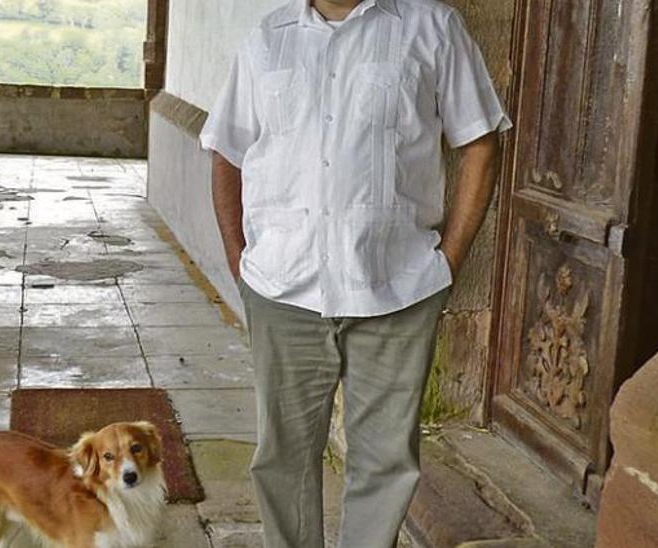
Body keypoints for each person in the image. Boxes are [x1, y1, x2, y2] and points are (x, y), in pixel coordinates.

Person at [199, 0, 510, 546]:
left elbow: (480, 142)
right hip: (283, 289)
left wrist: (448, 260)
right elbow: (228, 151)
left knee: (385, 462)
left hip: (399, 289)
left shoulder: (431, 27)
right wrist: (239, 259)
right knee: (282, 458)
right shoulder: (267, 38)